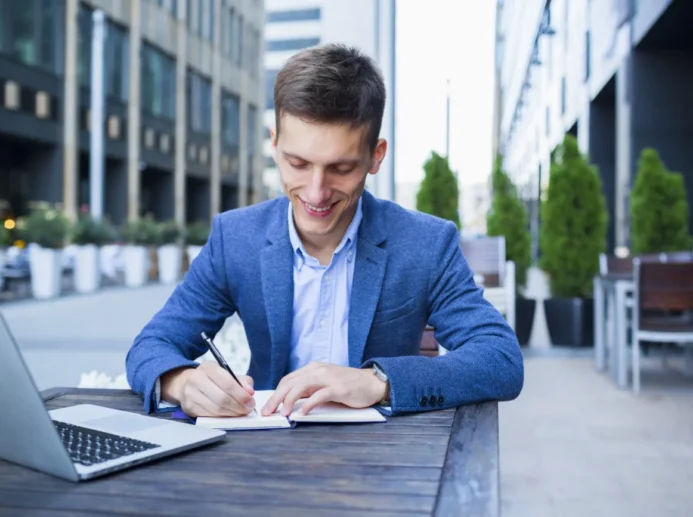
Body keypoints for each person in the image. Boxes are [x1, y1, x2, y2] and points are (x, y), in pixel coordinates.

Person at [125, 43, 523, 419]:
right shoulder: (235, 237)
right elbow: (151, 346)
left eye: (341, 168)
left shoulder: (426, 244)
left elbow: (501, 359)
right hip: (266, 453)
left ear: (375, 156)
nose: (316, 192)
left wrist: (377, 381)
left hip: (389, 462)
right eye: (297, 163)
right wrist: (181, 380)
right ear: (275, 144)